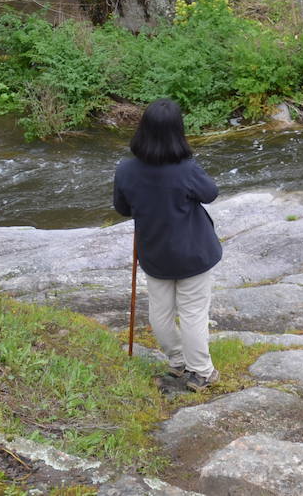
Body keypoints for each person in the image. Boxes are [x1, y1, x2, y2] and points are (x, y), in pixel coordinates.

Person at [113, 98, 223, 392]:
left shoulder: (126, 171)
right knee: (193, 314)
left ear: (143, 130)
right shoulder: (186, 169)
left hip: (155, 254)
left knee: (160, 315)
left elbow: (122, 208)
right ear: (178, 132)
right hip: (194, 255)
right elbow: (210, 193)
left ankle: (177, 362)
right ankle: (201, 371)